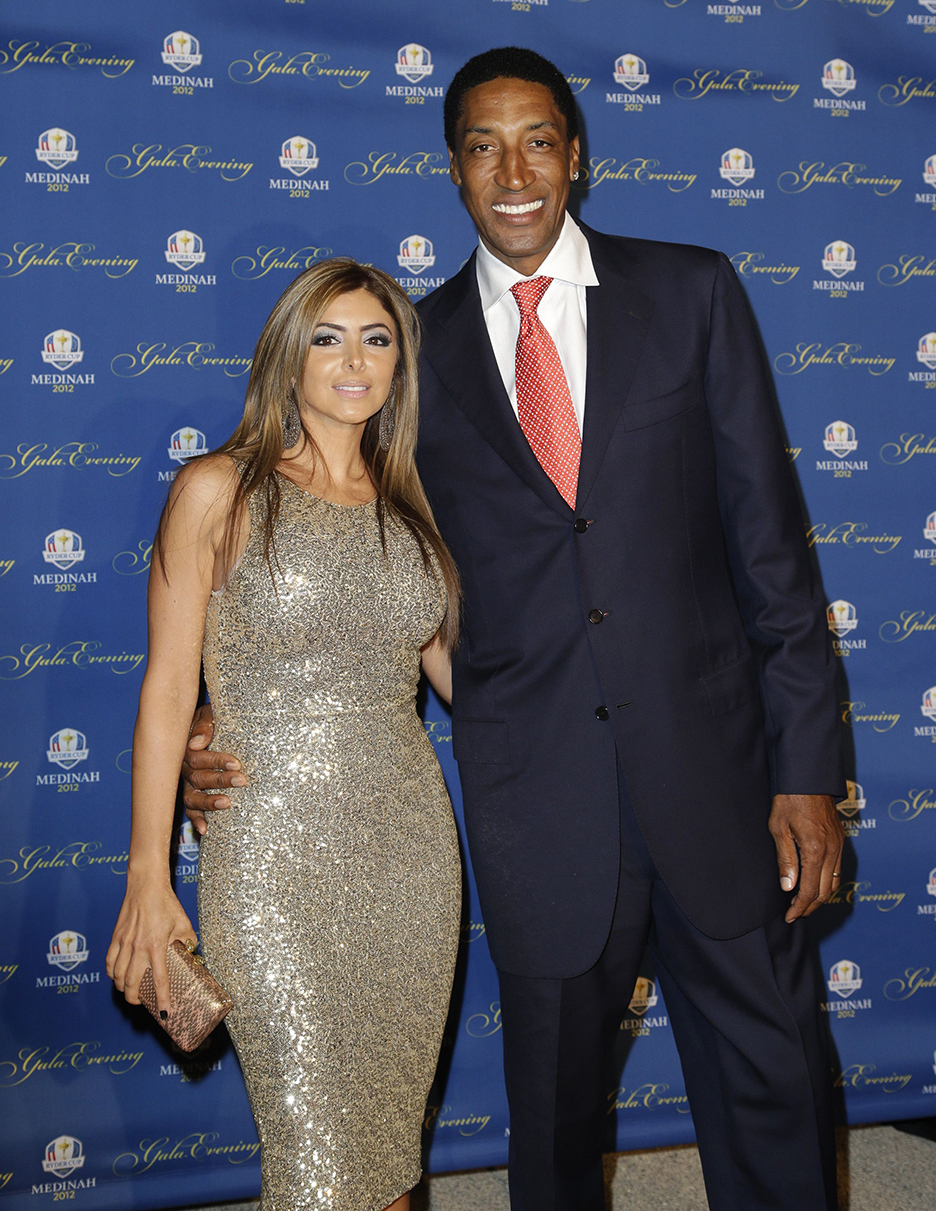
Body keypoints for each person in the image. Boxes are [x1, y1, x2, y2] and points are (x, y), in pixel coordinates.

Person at [183, 48, 845, 1211]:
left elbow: (774, 553)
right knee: (550, 1117)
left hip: (716, 774)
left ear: (575, 155)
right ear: (452, 170)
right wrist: (221, 707)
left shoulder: (692, 290)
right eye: (483, 146)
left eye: (537, 138)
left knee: (771, 1082)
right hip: (534, 786)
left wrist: (806, 773)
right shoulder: (405, 355)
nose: (514, 169)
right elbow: (344, 550)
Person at [107, 259, 462, 1211]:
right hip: (270, 855)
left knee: (390, 1150)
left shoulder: (414, 504)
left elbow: (470, 681)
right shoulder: (220, 489)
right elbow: (168, 691)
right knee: (314, 1158)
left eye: (376, 338)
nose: (355, 359)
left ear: (400, 363)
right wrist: (149, 878)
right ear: (286, 357)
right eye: (328, 336)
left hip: (410, 852)